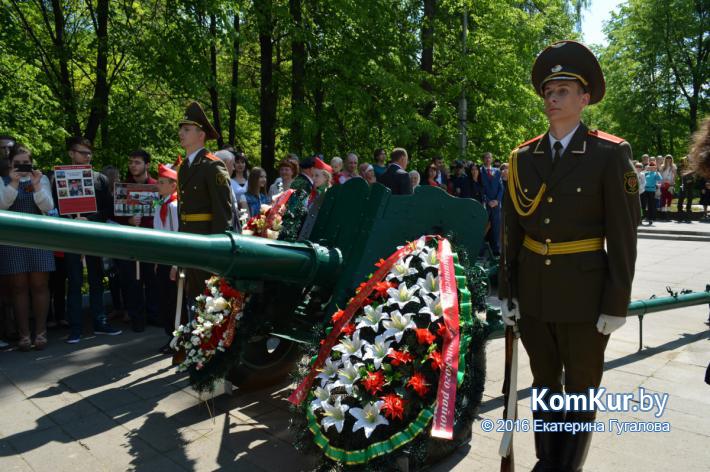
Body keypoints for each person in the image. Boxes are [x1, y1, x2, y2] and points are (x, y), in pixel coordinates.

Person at [498, 40, 640, 472]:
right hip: (535, 295)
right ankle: (547, 461)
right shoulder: (524, 157)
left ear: (584, 98)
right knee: (544, 384)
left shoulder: (609, 154)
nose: (553, 99)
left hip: (584, 293)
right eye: (548, 91)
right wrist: (507, 290)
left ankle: (566, 467)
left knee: (579, 387)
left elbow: (624, 234)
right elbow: (511, 232)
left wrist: (617, 303)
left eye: (563, 90)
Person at [57, 137, 121, 343]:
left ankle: (100, 322)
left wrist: (89, 219)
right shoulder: (57, 177)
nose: (86, 157)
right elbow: (53, 208)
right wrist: (71, 218)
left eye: (89, 153)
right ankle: (75, 328)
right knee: (74, 281)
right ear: (71, 154)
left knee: (96, 279)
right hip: (70, 235)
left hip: (94, 235)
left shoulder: (100, 179)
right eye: (82, 153)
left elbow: (107, 209)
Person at [176, 101, 233, 306]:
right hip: (189, 239)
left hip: (206, 240)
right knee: (192, 293)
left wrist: (218, 249)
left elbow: (222, 211)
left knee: (207, 296)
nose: (181, 133)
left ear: (201, 135)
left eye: (187, 129)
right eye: (181, 129)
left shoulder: (212, 165)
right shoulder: (184, 167)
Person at [0, 145, 55, 350]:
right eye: (18, 164)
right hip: (13, 241)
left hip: (39, 238)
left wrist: (37, 186)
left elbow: (48, 207)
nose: (22, 167)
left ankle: (40, 332)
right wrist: (14, 183)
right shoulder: (2, 182)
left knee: (40, 286)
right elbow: (2, 206)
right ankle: (24, 335)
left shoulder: (41, 181)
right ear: (10, 163)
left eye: (26, 163)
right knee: (18, 288)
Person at [113, 150, 159, 332]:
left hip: (151, 241)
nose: (133, 165)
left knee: (152, 278)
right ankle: (136, 317)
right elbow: (115, 215)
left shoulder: (156, 186)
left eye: (137, 162)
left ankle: (154, 314)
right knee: (132, 280)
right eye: (131, 162)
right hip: (130, 243)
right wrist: (129, 221)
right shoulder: (123, 188)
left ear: (147, 165)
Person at [153, 164, 180, 353]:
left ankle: (176, 338)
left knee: (172, 300)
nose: (158, 185)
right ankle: (170, 335)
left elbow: (177, 236)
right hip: (163, 259)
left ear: (173, 185)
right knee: (163, 298)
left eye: (162, 183)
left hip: (172, 260)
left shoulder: (173, 206)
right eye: (159, 182)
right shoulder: (161, 203)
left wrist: (175, 264)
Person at [480, 152, 504, 255]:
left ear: (492, 159)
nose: (488, 159)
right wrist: (487, 200)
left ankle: (496, 250)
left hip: (496, 204)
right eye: (486, 158)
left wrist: (497, 200)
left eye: (489, 157)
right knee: (483, 227)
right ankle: (480, 249)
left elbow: (501, 188)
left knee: (496, 227)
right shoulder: (480, 171)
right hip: (486, 204)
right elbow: (480, 188)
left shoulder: (497, 171)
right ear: (483, 159)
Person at [659, 154, 676, 220]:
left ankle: (668, 214)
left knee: (669, 199)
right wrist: (662, 182)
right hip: (663, 184)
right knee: (663, 198)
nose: (668, 159)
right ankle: (663, 214)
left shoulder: (673, 166)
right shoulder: (662, 166)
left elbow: (674, 175)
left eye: (670, 158)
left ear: (672, 159)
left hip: (670, 185)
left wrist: (672, 183)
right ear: (665, 159)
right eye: (667, 158)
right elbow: (660, 175)